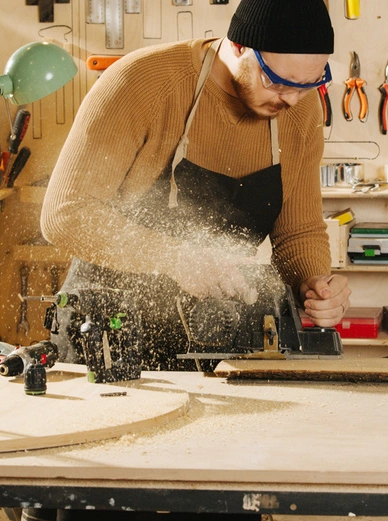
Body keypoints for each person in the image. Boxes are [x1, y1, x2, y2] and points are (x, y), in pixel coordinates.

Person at [39, 0, 351, 376]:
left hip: (219, 338)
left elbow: (298, 232)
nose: (291, 99)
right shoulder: (141, 82)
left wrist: (315, 285)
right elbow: (65, 213)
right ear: (238, 45)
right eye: (277, 82)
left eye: (309, 84)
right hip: (110, 333)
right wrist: (175, 258)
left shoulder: (299, 108)